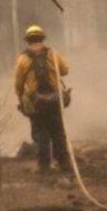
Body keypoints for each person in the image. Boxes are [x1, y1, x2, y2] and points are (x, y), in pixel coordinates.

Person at [14, 24, 72, 176]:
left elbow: (18, 83)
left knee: (41, 134)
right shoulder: (53, 54)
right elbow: (65, 71)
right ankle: (64, 164)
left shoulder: (22, 59)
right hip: (54, 101)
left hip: (35, 103)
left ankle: (44, 167)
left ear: (28, 40)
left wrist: (21, 99)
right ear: (42, 38)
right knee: (58, 133)